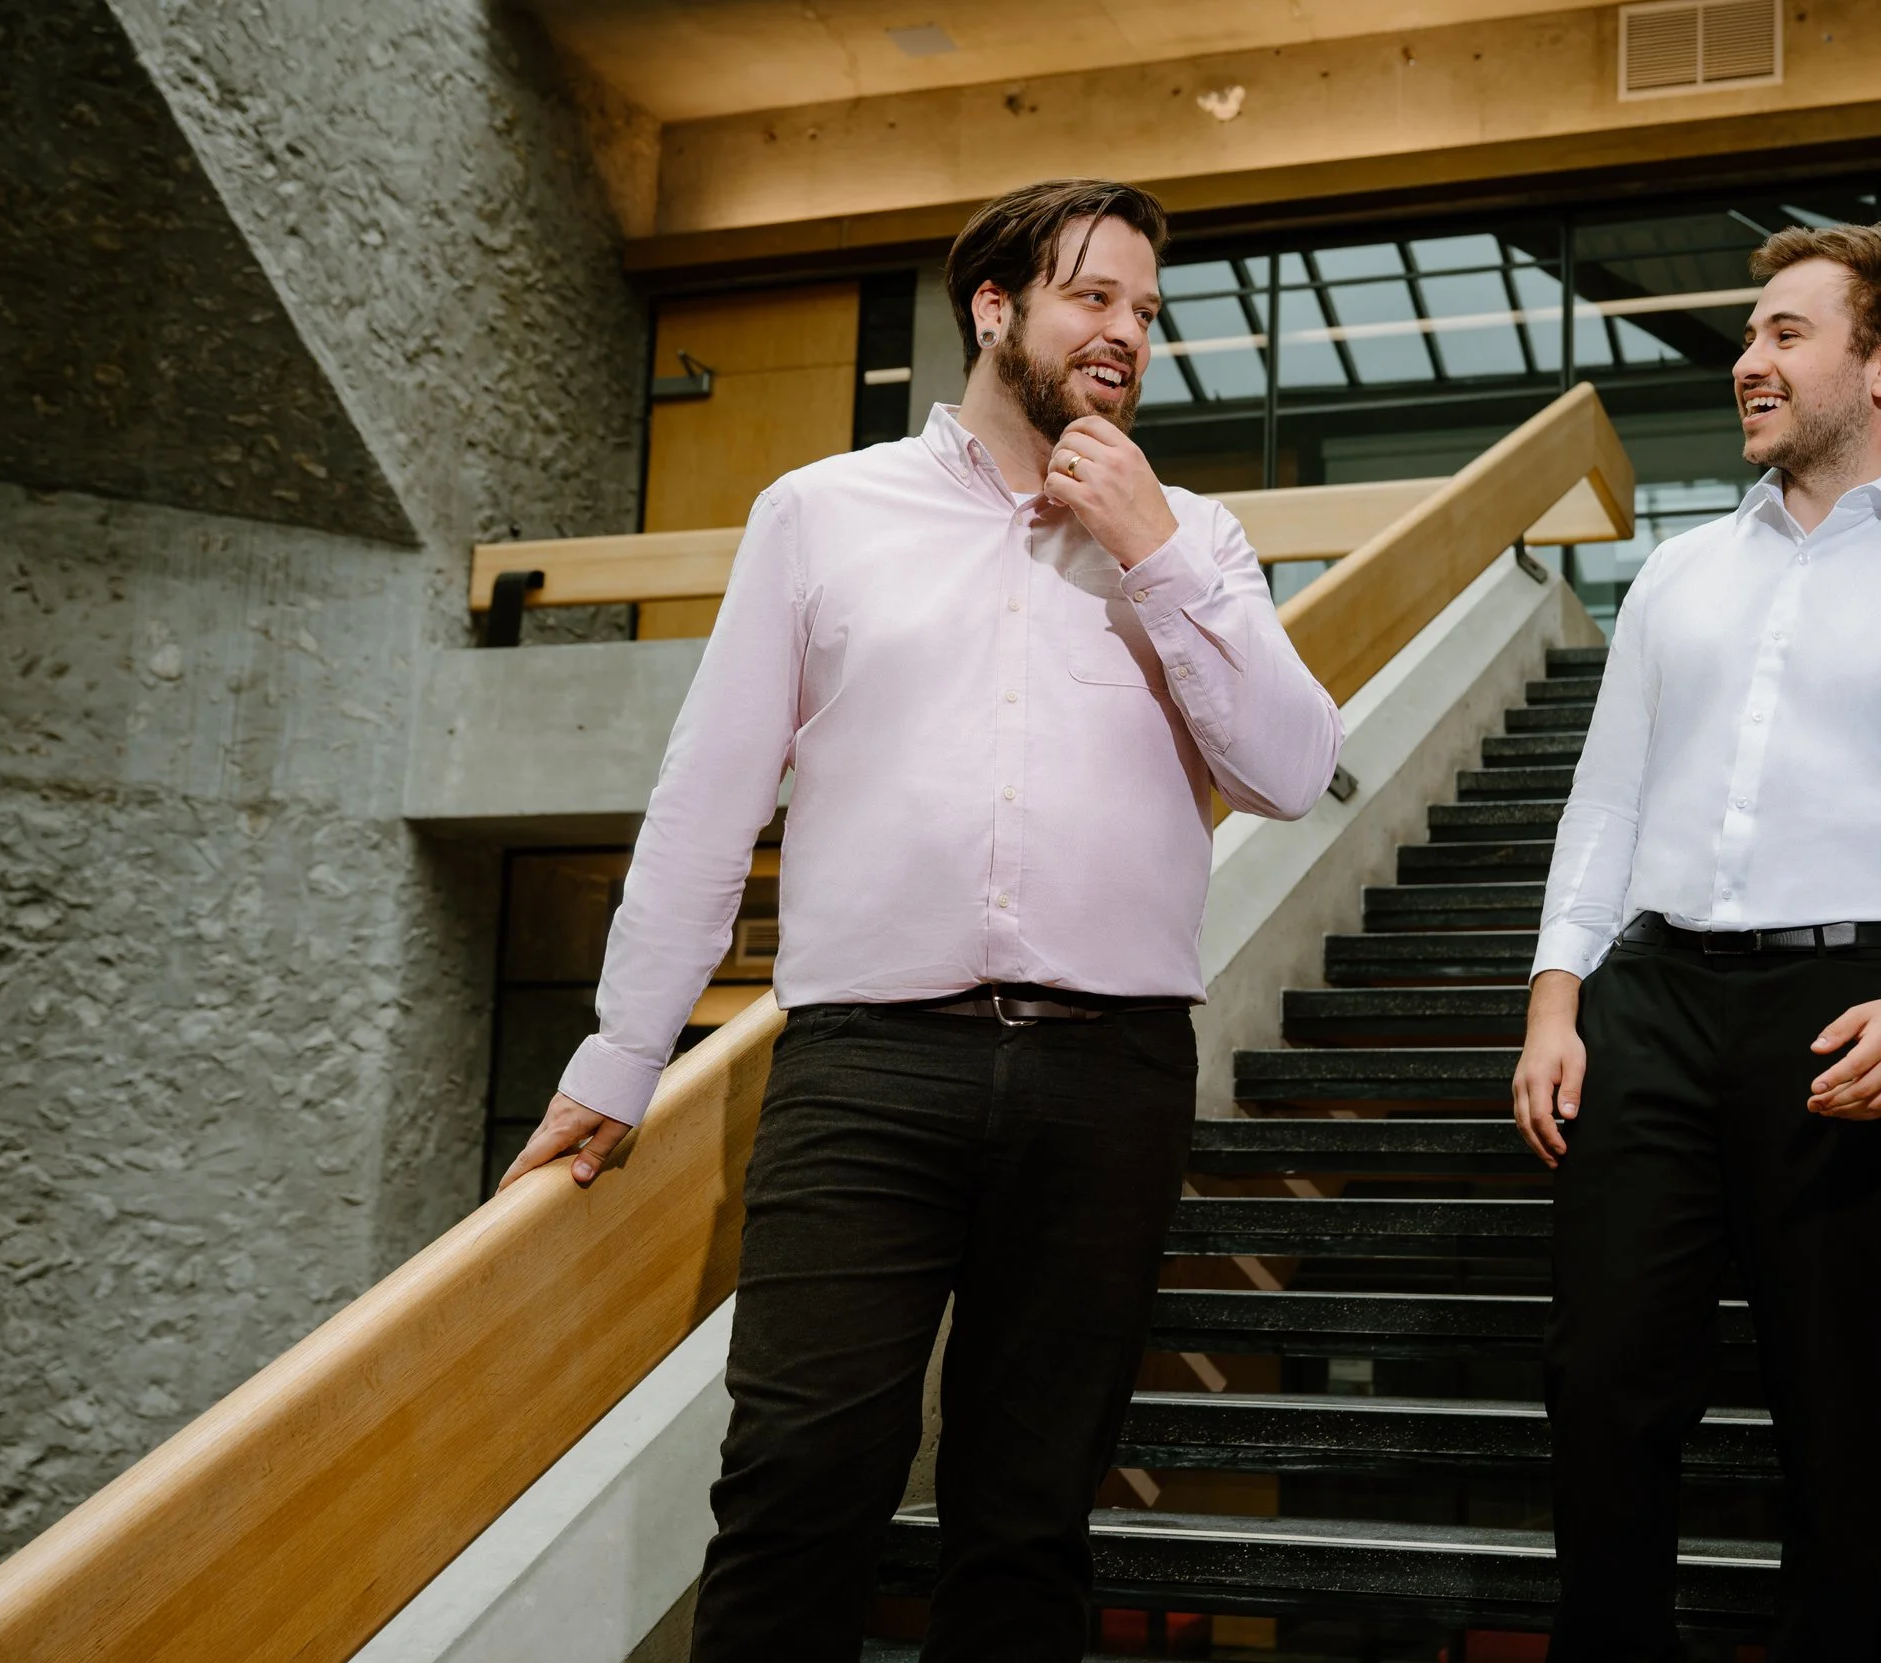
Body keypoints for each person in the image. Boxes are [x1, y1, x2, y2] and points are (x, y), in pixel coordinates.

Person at [496, 178, 1342, 1661]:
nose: (1126, 334)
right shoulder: (821, 515)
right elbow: (707, 801)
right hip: (866, 1071)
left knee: (1029, 1516)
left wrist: (1150, 553)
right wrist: (622, 1051)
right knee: (796, 1481)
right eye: (1095, 296)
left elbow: (1289, 766)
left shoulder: (1194, 536)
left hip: (1111, 1075)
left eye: (1148, 310)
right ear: (994, 307)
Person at [1510, 223, 1881, 1660]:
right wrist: (1555, 997)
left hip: (1853, 1006)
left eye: (1783, 335)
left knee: (1841, 1404)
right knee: (1603, 1384)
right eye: (1752, 338)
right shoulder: (1677, 580)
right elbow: (1606, 805)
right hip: (1648, 1001)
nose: (1748, 363)